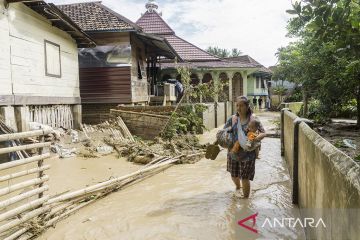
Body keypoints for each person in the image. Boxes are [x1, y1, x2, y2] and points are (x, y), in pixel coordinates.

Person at [224, 96, 266, 198]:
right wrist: (224, 138)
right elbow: (224, 131)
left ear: (247, 107)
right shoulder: (233, 119)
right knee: (234, 175)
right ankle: (238, 188)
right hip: (233, 152)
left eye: (241, 105)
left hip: (248, 154)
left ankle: (246, 201)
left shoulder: (253, 119)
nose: (238, 108)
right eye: (237, 105)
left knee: (245, 178)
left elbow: (263, 133)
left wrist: (255, 139)